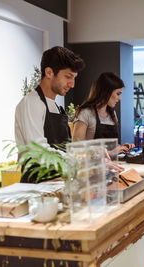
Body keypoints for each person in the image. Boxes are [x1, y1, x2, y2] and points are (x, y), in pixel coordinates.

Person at [15, 46, 85, 183]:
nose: (72, 84)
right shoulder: (32, 102)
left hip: (57, 182)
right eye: (68, 77)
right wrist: (78, 161)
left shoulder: (56, 107)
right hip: (37, 186)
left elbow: (65, 148)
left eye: (74, 78)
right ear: (49, 72)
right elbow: (39, 150)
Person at [72, 72, 135, 154]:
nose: (120, 98)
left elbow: (109, 147)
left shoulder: (112, 114)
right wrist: (110, 153)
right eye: (118, 94)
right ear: (106, 92)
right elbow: (77, 148)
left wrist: (120, 147)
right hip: (92, 166)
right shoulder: (85, 113)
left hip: (111, 165)